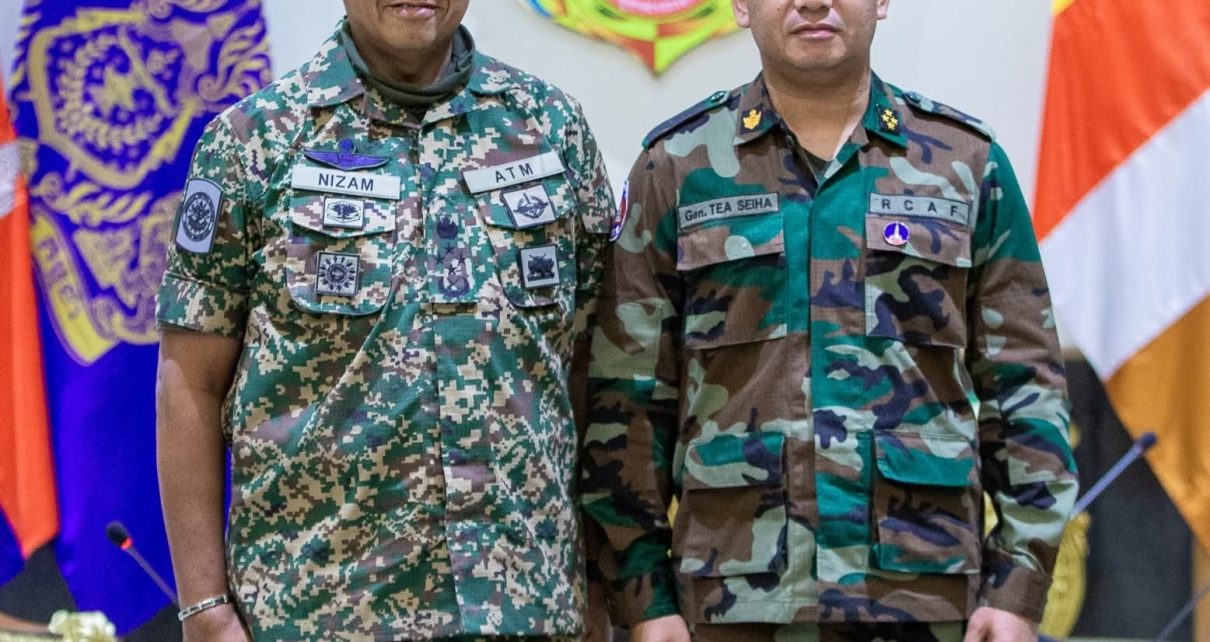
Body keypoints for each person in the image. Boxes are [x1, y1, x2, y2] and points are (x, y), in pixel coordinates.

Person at [579, 1, 1078, 641]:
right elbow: (627, 398)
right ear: (740, 6)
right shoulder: (677, 167)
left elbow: (1025, 385)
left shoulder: (965, 164)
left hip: (922, 596)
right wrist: (645, 601)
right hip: (734, 601)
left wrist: (1018, 587)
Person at [155, 1, 614, 639]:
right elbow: (190, 383)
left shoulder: (551, 127)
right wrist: (204, 607)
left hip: (524, 606)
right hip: (319, 613)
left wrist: (599, 587)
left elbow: (589, 368)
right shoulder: (255, 140)